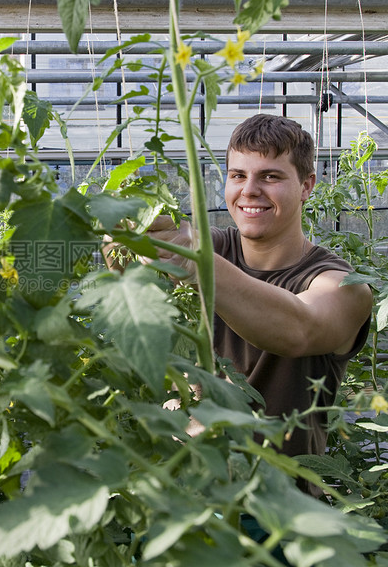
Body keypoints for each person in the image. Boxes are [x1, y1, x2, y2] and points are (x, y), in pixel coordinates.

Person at [143, 113, 373, 467]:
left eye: (270, 176)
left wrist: (194, 264)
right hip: (182, 491)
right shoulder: (213, 247)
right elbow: (173, 247)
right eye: (238, 175)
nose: (249, 190)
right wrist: (132, 238)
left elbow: (299, 329)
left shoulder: (339, 284)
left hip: (276, 503)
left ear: (307, 186)